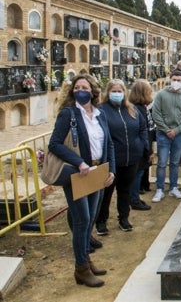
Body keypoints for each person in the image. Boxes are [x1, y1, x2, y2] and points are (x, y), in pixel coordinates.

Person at [48, 74, 115, 287]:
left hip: (97, 172)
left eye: (84, 87)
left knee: (91, 218)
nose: (80, 90)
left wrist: (110, 169)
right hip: (78, 174)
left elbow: (109, 144)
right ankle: (81, 269)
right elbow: (55, 144)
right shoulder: (69, 114)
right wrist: (79, 162)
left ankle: (87, 259)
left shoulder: (99, 114)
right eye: (76, 87)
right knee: (81, 220)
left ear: (93, 91)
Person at [96, 79, 149, 233]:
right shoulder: (102, 110)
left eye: (120, 91)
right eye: (114, 91)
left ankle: (124, 218)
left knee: (125, 190)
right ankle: (101, 221)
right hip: (112, 160)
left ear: (125, 92)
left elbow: (142, 128)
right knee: (107, 192)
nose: (117, 94)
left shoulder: (132, 109)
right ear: (108, 92)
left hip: (131, 158)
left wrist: (142, 145)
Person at [151, 71, 181, 202]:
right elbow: (156, 113)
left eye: (178, 80)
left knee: (175, 162)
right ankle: (159, 189)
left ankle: (173, 188)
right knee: (162, 162)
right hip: (163, 133)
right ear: (170, 80)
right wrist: (166, 129)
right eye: (173, 79)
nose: (176, 82)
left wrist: (176, 130)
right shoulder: (161, 95)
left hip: (179, 134)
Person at [128, 79, 155, 211]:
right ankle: (134, 199)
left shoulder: (142, 107)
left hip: (144, 147)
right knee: (137, 175)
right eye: (149, 90)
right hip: (141, 149)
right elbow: (142, 132)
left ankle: (135, 198)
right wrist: (148, 151)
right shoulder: (137, 109)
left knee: (139, 174)